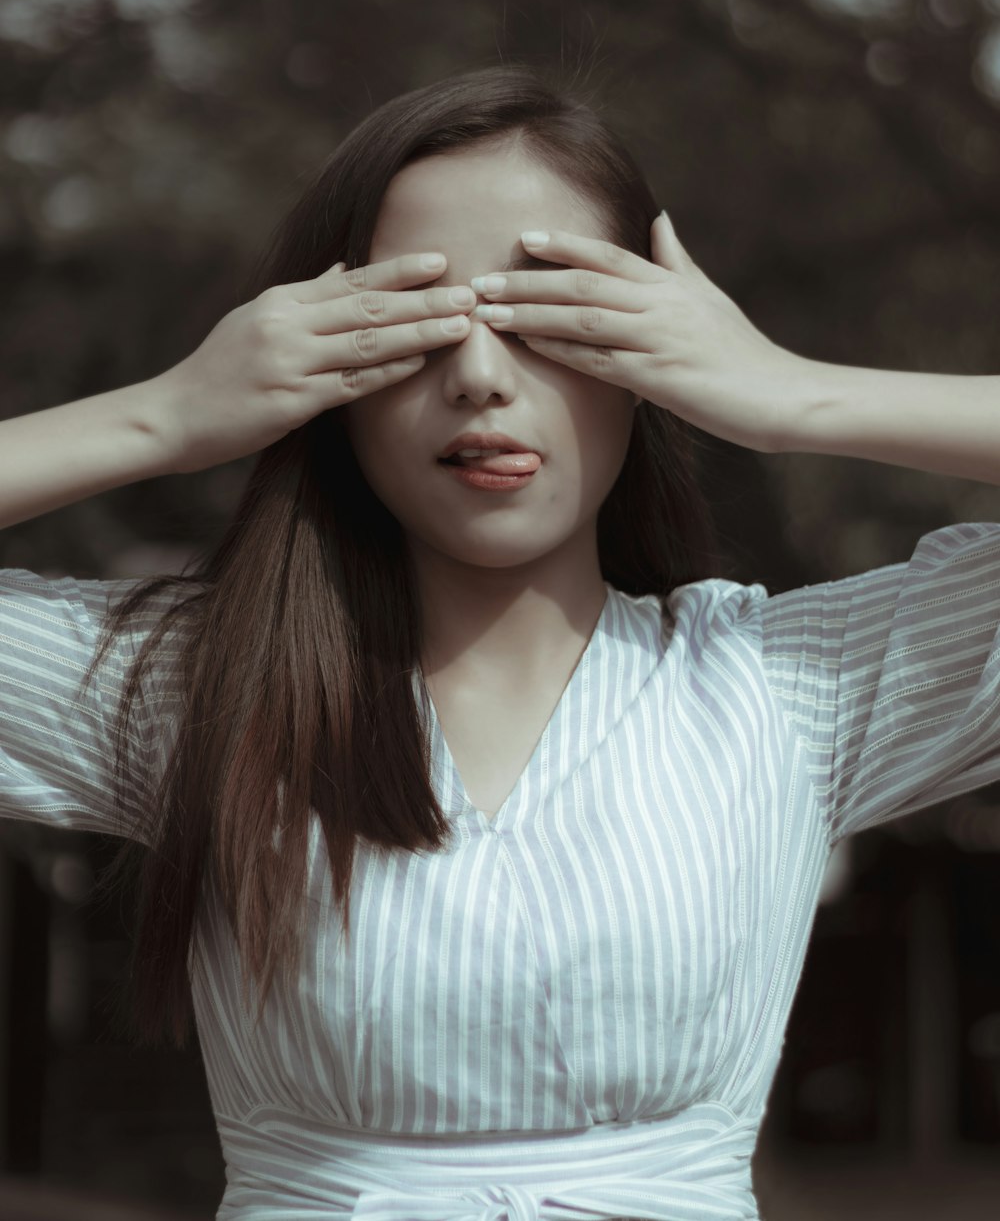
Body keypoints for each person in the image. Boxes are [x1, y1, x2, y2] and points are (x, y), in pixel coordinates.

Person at [0, 64, 997, 1221]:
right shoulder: (199, 691)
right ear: (316, 363)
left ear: (650, 359)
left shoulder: (780, 688)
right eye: (414, 326)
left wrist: (791, 396)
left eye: (547, 319)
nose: (479, 376)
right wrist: (162, 415)